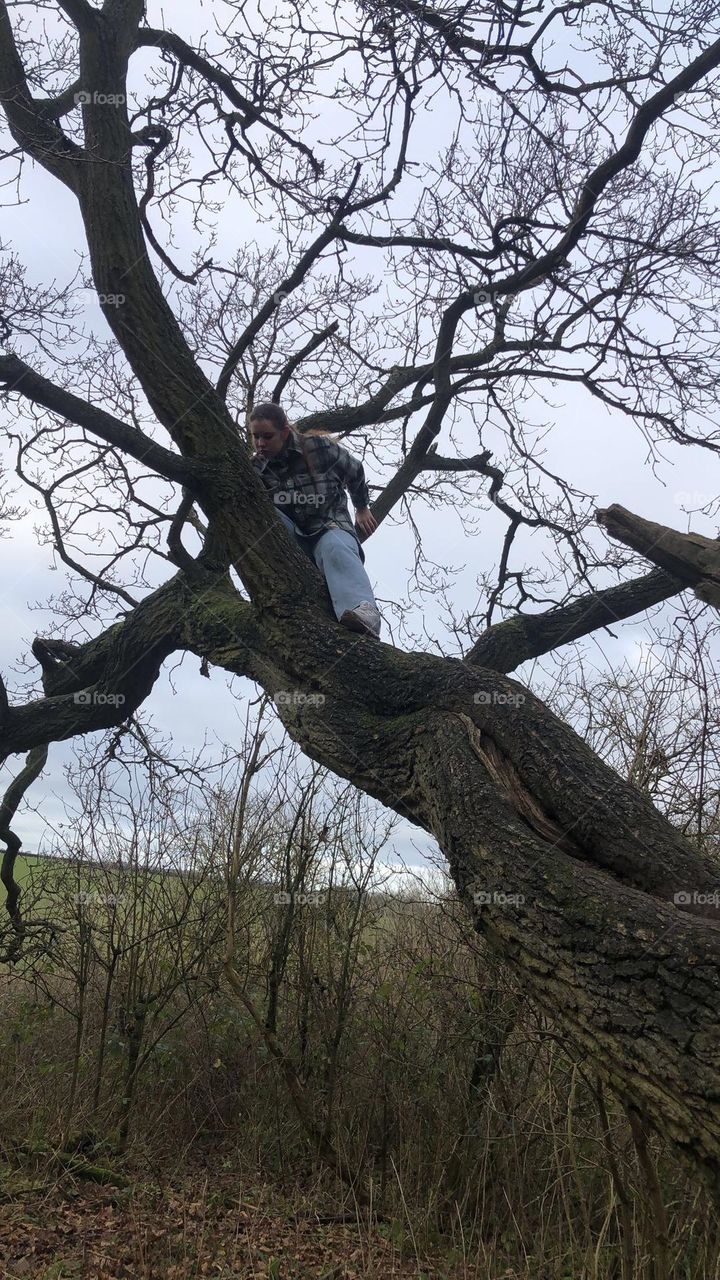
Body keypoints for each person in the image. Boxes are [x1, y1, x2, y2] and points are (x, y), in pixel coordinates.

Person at [250, 402, 383, 638]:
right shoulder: (255, 468)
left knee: (335, 548)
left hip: (330, 526)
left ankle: (363, 613)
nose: (260, 443)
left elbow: (354, 470)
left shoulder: (318, 448)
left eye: (267, 436)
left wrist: (362, 507)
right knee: (261, 510)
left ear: (284, 432)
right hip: (292, 538)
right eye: (256, 437)